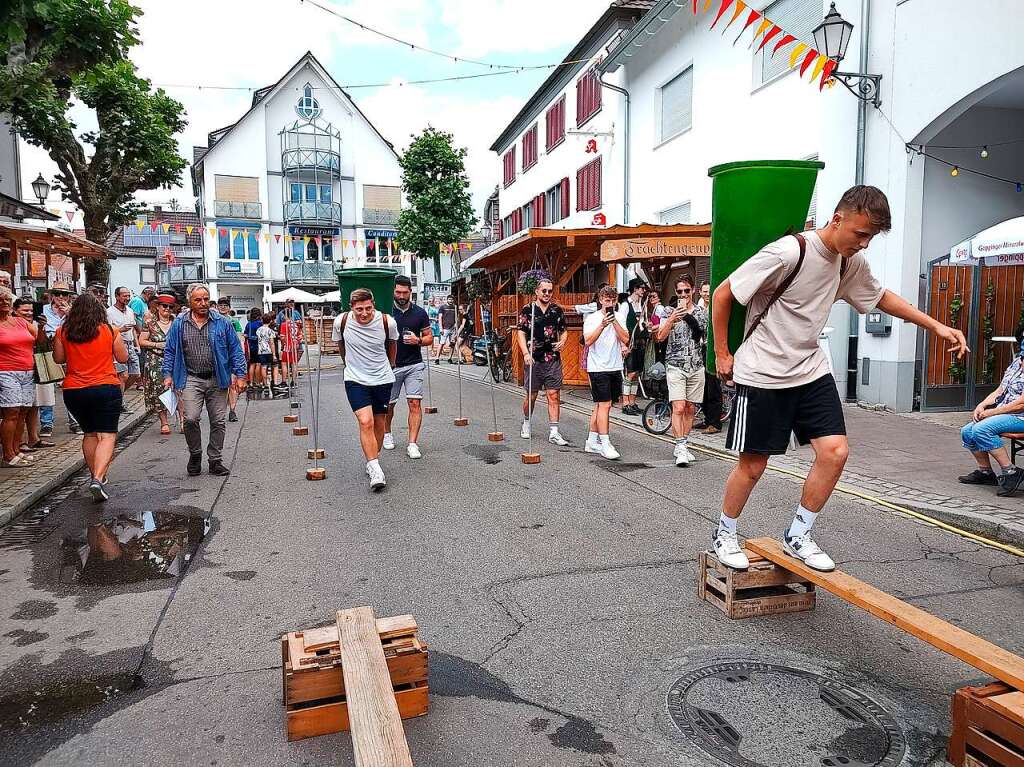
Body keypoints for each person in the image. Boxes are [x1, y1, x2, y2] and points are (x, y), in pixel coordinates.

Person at [711, 185, 968, 572]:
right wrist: (721, 353)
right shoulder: (788, 252)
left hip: (811, 370)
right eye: (860, 234)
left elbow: (880, 297)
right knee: (753, 466)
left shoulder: (850, 263)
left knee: (835, 452)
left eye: (871, 238)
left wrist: (935, 326)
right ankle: (725, 533)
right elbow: (723, 293)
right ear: (837, 219)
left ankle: (798, 534)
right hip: (763, 372)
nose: (864, 244)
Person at [162, 283, 247, 477]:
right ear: (189, 302)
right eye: (198, 300)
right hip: (191, 378)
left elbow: (235, 349)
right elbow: (170, 351)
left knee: (218, 421)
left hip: (218, 378)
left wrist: (240, 375)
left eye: (206, 299)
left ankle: (215, 459)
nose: (203, 303)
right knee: (190, 419)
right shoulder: (179, 324)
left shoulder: (222, 322)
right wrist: (167, 375)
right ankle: (195, 454)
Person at [52, 292, 128, 500]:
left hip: (74, 390)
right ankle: (98, 477)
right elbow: (122, 357)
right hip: (105, 387)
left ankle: (95, 476)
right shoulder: (110, 331)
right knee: (107, 434)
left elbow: (58, 359)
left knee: (89, 434)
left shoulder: (62, 332)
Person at [332, 288, 398, 490]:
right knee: (365, 421)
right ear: (351, 307)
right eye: (359, 309)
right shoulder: (341, 322)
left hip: (382, 378)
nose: (364, 313)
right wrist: (349, 365)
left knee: (379, 423)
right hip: (355, 378)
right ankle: (376, 469)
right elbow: (341, 345)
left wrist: (391, 365)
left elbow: (393, 344)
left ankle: (373, 460)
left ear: (374, 305)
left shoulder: (387, 322)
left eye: (368, 308)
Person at [958, 342, 1024, 496]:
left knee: (982, 429)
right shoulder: (1016, 363)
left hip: (1020, 417)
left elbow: (1021, 404)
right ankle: (986, 472)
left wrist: (992, 413)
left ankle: (1011, 472)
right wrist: (982, 405)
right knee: (967, 431)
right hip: (1006, 413)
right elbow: (1000, 390)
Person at [656, 276, 708, 467]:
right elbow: (660, 337)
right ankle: (680, 446)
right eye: (680, 292)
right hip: (675, 365)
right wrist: (672, 319)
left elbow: (707, 339)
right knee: (678, 407)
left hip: (696, 365)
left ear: (693, 291)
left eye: (687, 291)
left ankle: (683, 444)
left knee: (690, 408)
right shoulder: (669, 311)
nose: (684, 295)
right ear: (676, 293)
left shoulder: (702, 313)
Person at [384, 275, 433, 459]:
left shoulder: (420, 313)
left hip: (414, 364)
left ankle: (412, 443)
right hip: (391, 366)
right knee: (388, 405)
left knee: (415, 403)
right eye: (398, 292)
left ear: (410, 292)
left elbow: (429, 338)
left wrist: (418, 340)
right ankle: (387, 434)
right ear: (393, 292)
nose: (402, 295)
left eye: (405, 292)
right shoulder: (385, 313)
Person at [517, 277, 569, 445]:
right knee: (531, 395)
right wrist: (525, 353)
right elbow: (521, 332)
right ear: (537, 292)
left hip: (552, 358)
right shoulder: (528, 310)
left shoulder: (556, 310)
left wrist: (563, 341)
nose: (547, 294)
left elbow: (564, 330)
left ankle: (554, 432)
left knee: (553, 394)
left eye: (550, 291)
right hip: (533, 359)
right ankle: (526, 422)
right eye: (544, 291)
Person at [582, 285, 629, 460]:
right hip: (597, 367)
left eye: (612, 300)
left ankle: (591, 441)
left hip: (615, 365)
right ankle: (605, 443)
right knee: (605, 405)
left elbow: (625, 338)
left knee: (600, 405)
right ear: (600, 300)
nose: (609, 303)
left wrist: (614, 322)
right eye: (606, 300)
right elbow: (588, 341)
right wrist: (602, 325)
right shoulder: (593, 318)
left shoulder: (620, 317)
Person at [0, 289, 39, 468]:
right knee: (11, 413)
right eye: (1, 300)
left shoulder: (19, 321)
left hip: (27, 371)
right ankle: (7, 454)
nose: (5, 303)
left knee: (23, 411)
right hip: (6, 371)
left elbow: (37, 337)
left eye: (7, 299)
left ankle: (16, 450)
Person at [13, 298, 55, 454]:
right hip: (17, 369)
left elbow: (42, 343)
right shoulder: (12, 325)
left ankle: (33, 437)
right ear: (15, 311)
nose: (29, 313)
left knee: (35, 404)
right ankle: (20, 441)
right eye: (25, 310)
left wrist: (42, 326)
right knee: (20, 408)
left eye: (31, 310)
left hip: (36, 366)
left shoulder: (35, 325)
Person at [138, 293, 175, 434]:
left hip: (175, 360)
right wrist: (158, 344)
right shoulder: (150, 323)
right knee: (161, 390)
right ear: (158, 307)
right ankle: (164, 422)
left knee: (180, 389)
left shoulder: (177, 322)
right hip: (155, 360)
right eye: (164, 306)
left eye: (170, 307)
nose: (167, 309)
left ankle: (183, 419)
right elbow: (142, 341)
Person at [40, 283, 74, 435]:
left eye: (64, 294)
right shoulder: (43, 310)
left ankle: (74, 421)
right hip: (47, 351)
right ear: (52, 296)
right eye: (57, 293)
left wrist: (70, 315)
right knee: (47, 389)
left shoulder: (74, 312)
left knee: (71, 388)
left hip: (69, 353)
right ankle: (46, 423)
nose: (61, 297)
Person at [620, 277, 649, 416]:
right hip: (630, 343)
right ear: (635, 289)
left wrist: (646, 327)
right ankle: (625, 403)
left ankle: (632, 402)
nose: (643, 291)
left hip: (640, 342)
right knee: (630, 373)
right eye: (642, 288)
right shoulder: (626, 305)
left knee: (637, 373)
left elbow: (642, 323)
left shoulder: (641, 304)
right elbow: (621, 324)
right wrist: (624, 344)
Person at [107, 286, 141, 405]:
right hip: (118, 345)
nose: (127, 298)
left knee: (136, 373)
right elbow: (107, 332)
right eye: (124, 295)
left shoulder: (130, 311)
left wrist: (137, 345)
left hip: (131, 344)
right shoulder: (109, 312)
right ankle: (120, 402)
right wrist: (120, 330)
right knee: (123, 375)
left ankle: (117, 396)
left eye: (128, 295)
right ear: (117, 296)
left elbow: (133, 330)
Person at [216, 297, 244, 422]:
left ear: (229, 308)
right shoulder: (213, 321)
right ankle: (220, 411)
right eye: (220, 305)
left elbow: (239, 341)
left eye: (225, 305)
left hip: (230, 356)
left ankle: (232, 410)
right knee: (220, 386)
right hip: (217, 357)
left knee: (232, 384)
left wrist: (240, 357)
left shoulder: (234, 322)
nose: (223, 307)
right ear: (217, 307)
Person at [256, 314, 277, 393]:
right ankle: (274, 382)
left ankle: (265, 384)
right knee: (274, 366)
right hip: (269, 351)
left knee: (263, 367)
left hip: (261, 351)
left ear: (262, 320)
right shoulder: (270, 331)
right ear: (270, 321)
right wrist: (274, 354)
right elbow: (271, 343)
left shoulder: (258, 330)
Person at [243, 307, 263, 391]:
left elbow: (245, 334)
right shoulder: (260, 324)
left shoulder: (249, 324)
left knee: (252, 364)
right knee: (258, 364)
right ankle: (257, 382)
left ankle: (250, 382)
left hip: (251, 346)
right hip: (259, 346)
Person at [433, 296, 457, 364]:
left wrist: (456, 324)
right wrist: (441, 328)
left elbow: (456, 317)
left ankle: (450, 358)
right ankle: (437, 358)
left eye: (452, 299)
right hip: (445, 328)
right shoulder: (442, 307)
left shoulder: (454, 307)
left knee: (452, 343)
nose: (451, 300)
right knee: (442, 343)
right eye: (449, 299)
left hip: (453, 328)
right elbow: (440, 318)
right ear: (447, 300)